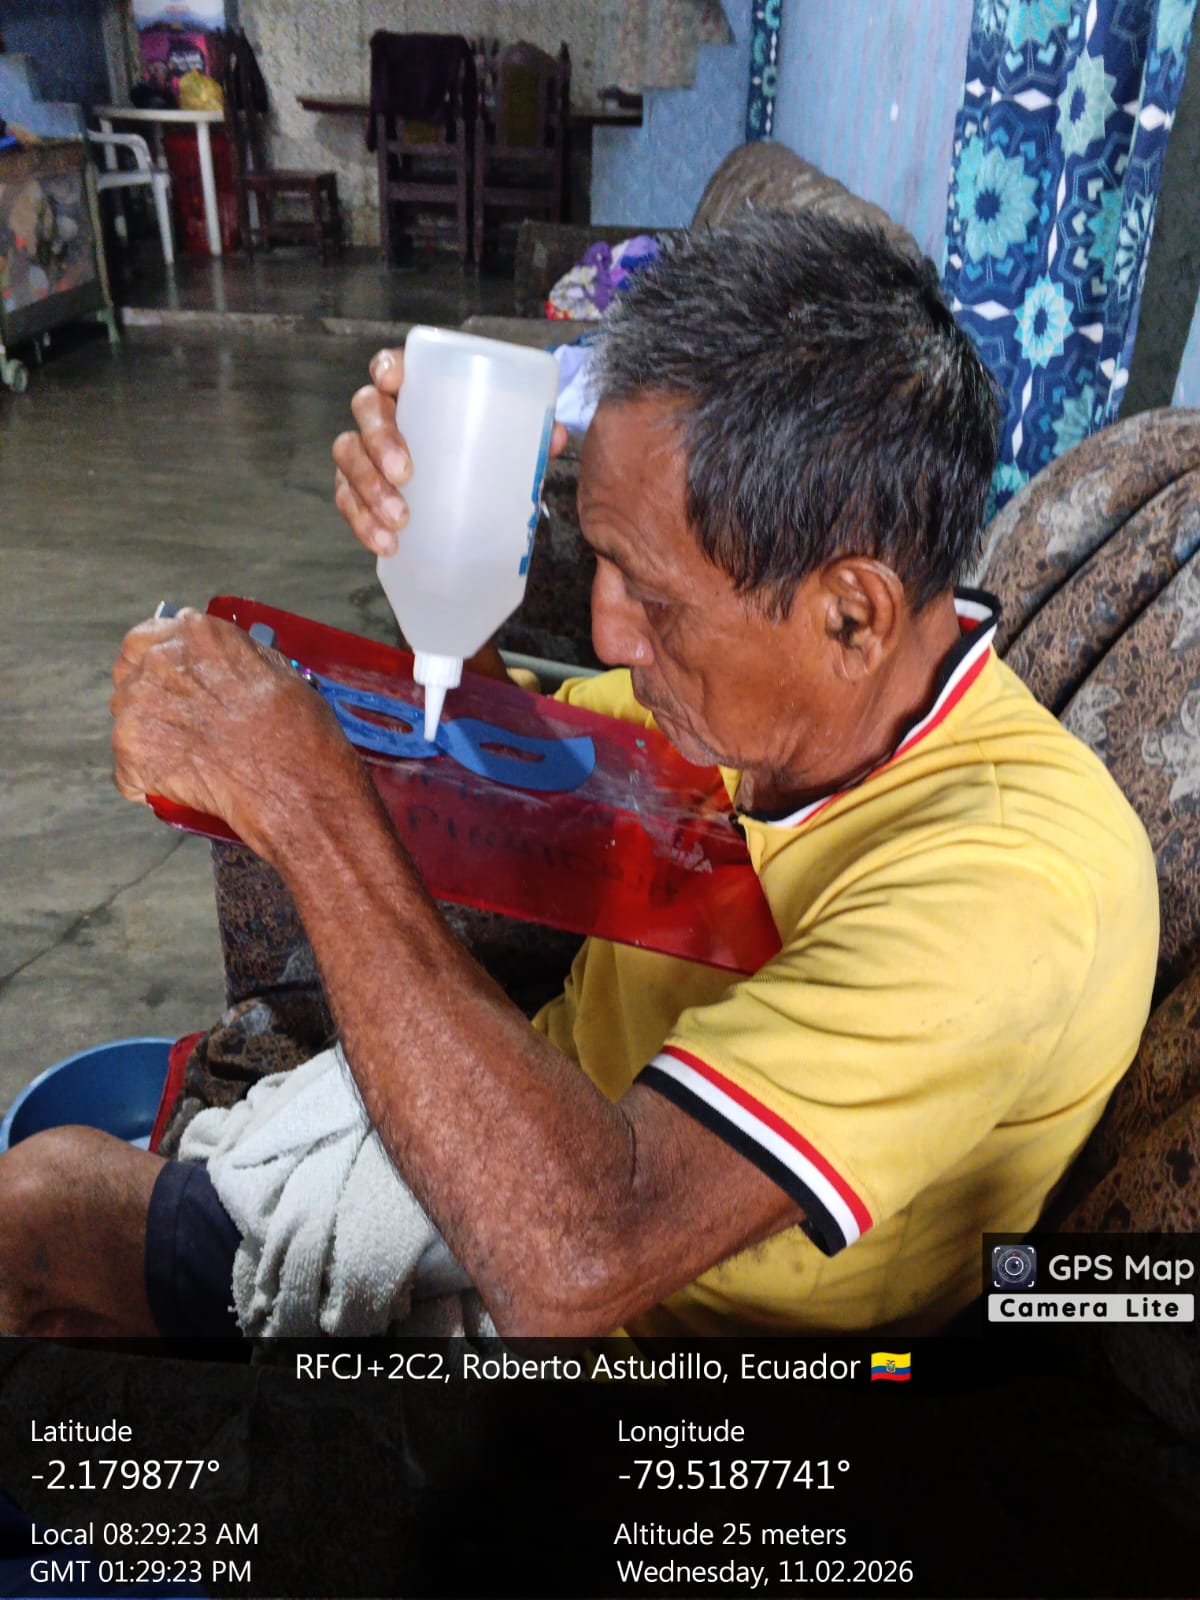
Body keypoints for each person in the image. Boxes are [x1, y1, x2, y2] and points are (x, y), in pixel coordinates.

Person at [0, 212, 1158, 1340]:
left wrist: (306, 804)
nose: (608, 632)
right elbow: (500, 767)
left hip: (626, 1306)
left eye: (651, 594)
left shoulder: (1010, 887)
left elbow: (579, 1261)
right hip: (534, 1142)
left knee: (34, 1214)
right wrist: (433, 575)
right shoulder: (778, 705)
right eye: (601, 558)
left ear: (852, 612)